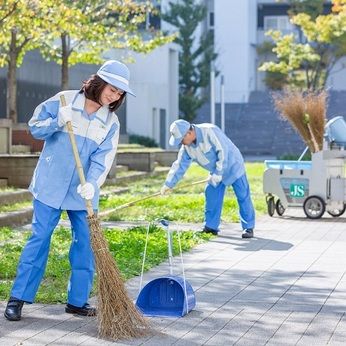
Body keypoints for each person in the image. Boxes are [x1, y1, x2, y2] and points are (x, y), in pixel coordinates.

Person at [4, 60, 135, 321]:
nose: (115, 95)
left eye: (120, 93)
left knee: (85, 243)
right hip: (50, 184)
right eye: (113, 88)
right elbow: (34, 127)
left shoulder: (110, 122)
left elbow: (104, 158)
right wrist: (56, 122)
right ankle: (17, 298)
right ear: (99, 82)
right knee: (40, 238)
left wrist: (93, 183)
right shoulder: (64, 101)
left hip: (83, 191)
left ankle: (77, 301)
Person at [161, 119, 255, 238]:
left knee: (243, 195)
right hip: (215, 171)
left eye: (181, 140)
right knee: (211, 194)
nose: (181, 143)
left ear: (189, 133)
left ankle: (248, 227)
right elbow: (179, 165)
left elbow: (223, 152)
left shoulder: (210, 131)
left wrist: (218, 173)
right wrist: (168, 184)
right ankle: (211, 226)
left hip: (233, 165)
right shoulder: (187, 147)